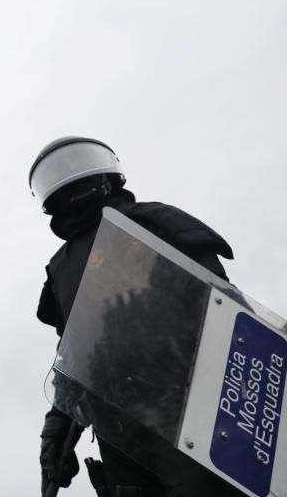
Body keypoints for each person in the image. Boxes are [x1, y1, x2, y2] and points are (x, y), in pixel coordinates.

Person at [30, 136, 239, 496]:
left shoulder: (155, 222)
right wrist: (56, 431)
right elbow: (75, 359)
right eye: (59, 170)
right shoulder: (60, 270)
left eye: (76, 163)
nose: (69, 175)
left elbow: (224, 305)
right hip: (121, 429)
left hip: (192, 405)